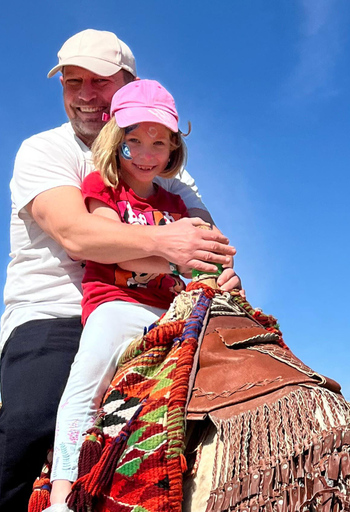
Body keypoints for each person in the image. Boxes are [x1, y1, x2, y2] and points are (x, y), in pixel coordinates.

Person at [0, 29, 237, 508]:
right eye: (73, 82)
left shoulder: (165, 172)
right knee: (32, 423)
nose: (85, 96)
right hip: (57, 312)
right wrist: (173, 247)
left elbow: (206, 236)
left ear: (128, 83)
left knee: (245, 392)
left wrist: (219, 272)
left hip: (165, 307)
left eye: (99, 81)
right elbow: (78, 235)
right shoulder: (46, 151)